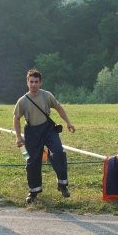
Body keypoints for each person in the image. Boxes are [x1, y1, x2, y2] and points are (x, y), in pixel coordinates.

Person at [13, 69, 76, 203]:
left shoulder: (47, 96)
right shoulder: (22, 101)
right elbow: (16, 118)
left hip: (48, 130)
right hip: (32, 132)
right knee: (32, 161)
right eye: (31, 82)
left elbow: (58, 108)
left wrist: (68, 123)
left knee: (58, 152)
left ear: (40, 82)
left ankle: (62, 185)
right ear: (27, 82)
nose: (34, 84)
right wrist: (18, 137)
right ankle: (34, 192)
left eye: (36, 82)